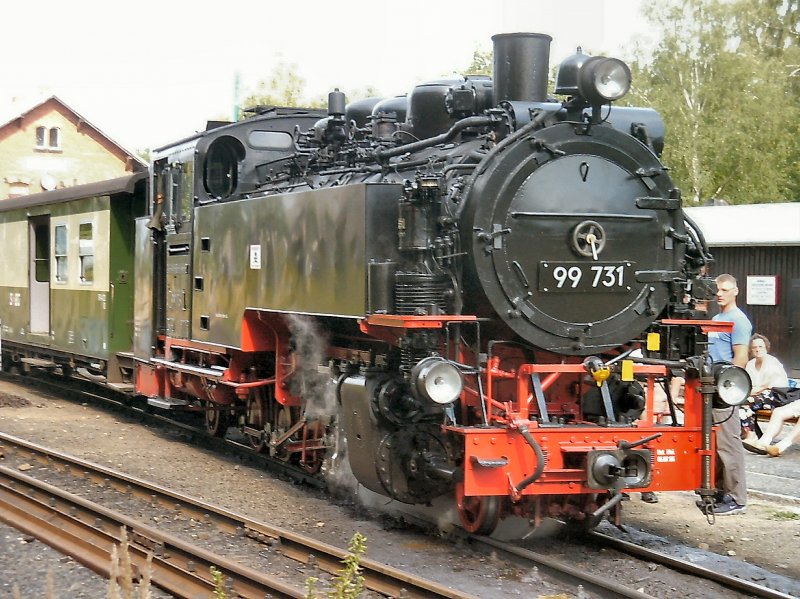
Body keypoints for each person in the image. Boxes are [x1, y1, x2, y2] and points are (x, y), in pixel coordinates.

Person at [705, 274, 752, 516]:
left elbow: (741, 357)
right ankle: (720, 492)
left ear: (736, 291)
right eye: (717, 291)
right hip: (711, 386)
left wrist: (730, 389)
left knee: (729, 445)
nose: (720, 294)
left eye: (725, 290)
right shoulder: (717, 318)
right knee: (714, 444)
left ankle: (737, 498)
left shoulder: (738, 320)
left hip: (725, 389)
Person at [740, 334, 789, 443]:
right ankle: (749, 433)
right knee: (741, 402)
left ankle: (751, 435)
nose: (757, 350)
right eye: (754, 347)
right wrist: (752, 391)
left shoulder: (773, 362)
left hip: (777, 395)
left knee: (746, 401)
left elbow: (767, 385)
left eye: (760, 347)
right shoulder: (750, 365)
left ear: (766, 347)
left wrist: (754, 391)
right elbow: (750, 385)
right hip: (759, 395)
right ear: (751, 350)